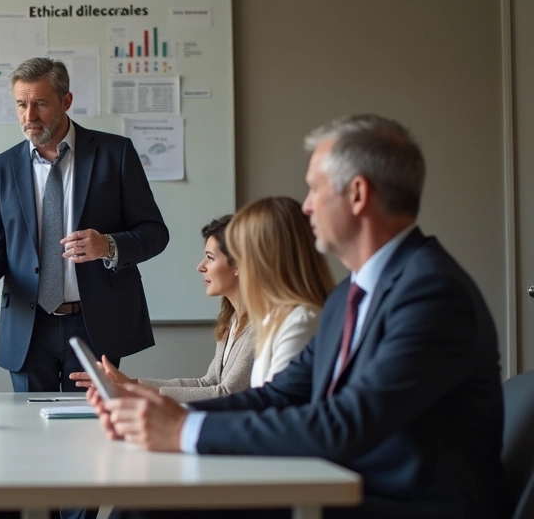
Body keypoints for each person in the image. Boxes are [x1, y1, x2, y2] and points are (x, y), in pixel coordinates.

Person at [91, 115, 504, 518]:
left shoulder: (432, 294)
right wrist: (165, 411)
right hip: (343, 486)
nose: (305, 207)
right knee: (146, 501)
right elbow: (278, 394)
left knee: (150, 506)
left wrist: (183, 431)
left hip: (397, 503)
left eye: (314, 190)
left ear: (358, 195)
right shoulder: (349, 295)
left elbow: (346, 422)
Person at [0, 57, 169, 392]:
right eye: (21, 105)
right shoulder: (0, 169)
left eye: (40, 104)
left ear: (66, 101)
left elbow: (155, 233)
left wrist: (109, 246)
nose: (29, 117)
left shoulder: (115, 154)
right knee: (28, 435)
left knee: (91, 432)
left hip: (95, 322)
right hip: (29, 327)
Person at [72, 215, 256, 403]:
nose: (201, 267)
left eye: (210, 258)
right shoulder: (232, 320)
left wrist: (134, 391)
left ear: (239, 265)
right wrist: (131, 384)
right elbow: (208, 383)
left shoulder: (258, 326)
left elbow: (228, 393)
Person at [225, 196, 332, 387]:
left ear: (264, 261)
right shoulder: (273, 319)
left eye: (241, 258)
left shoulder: (302, 322)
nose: (239, 270)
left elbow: (276, 407)